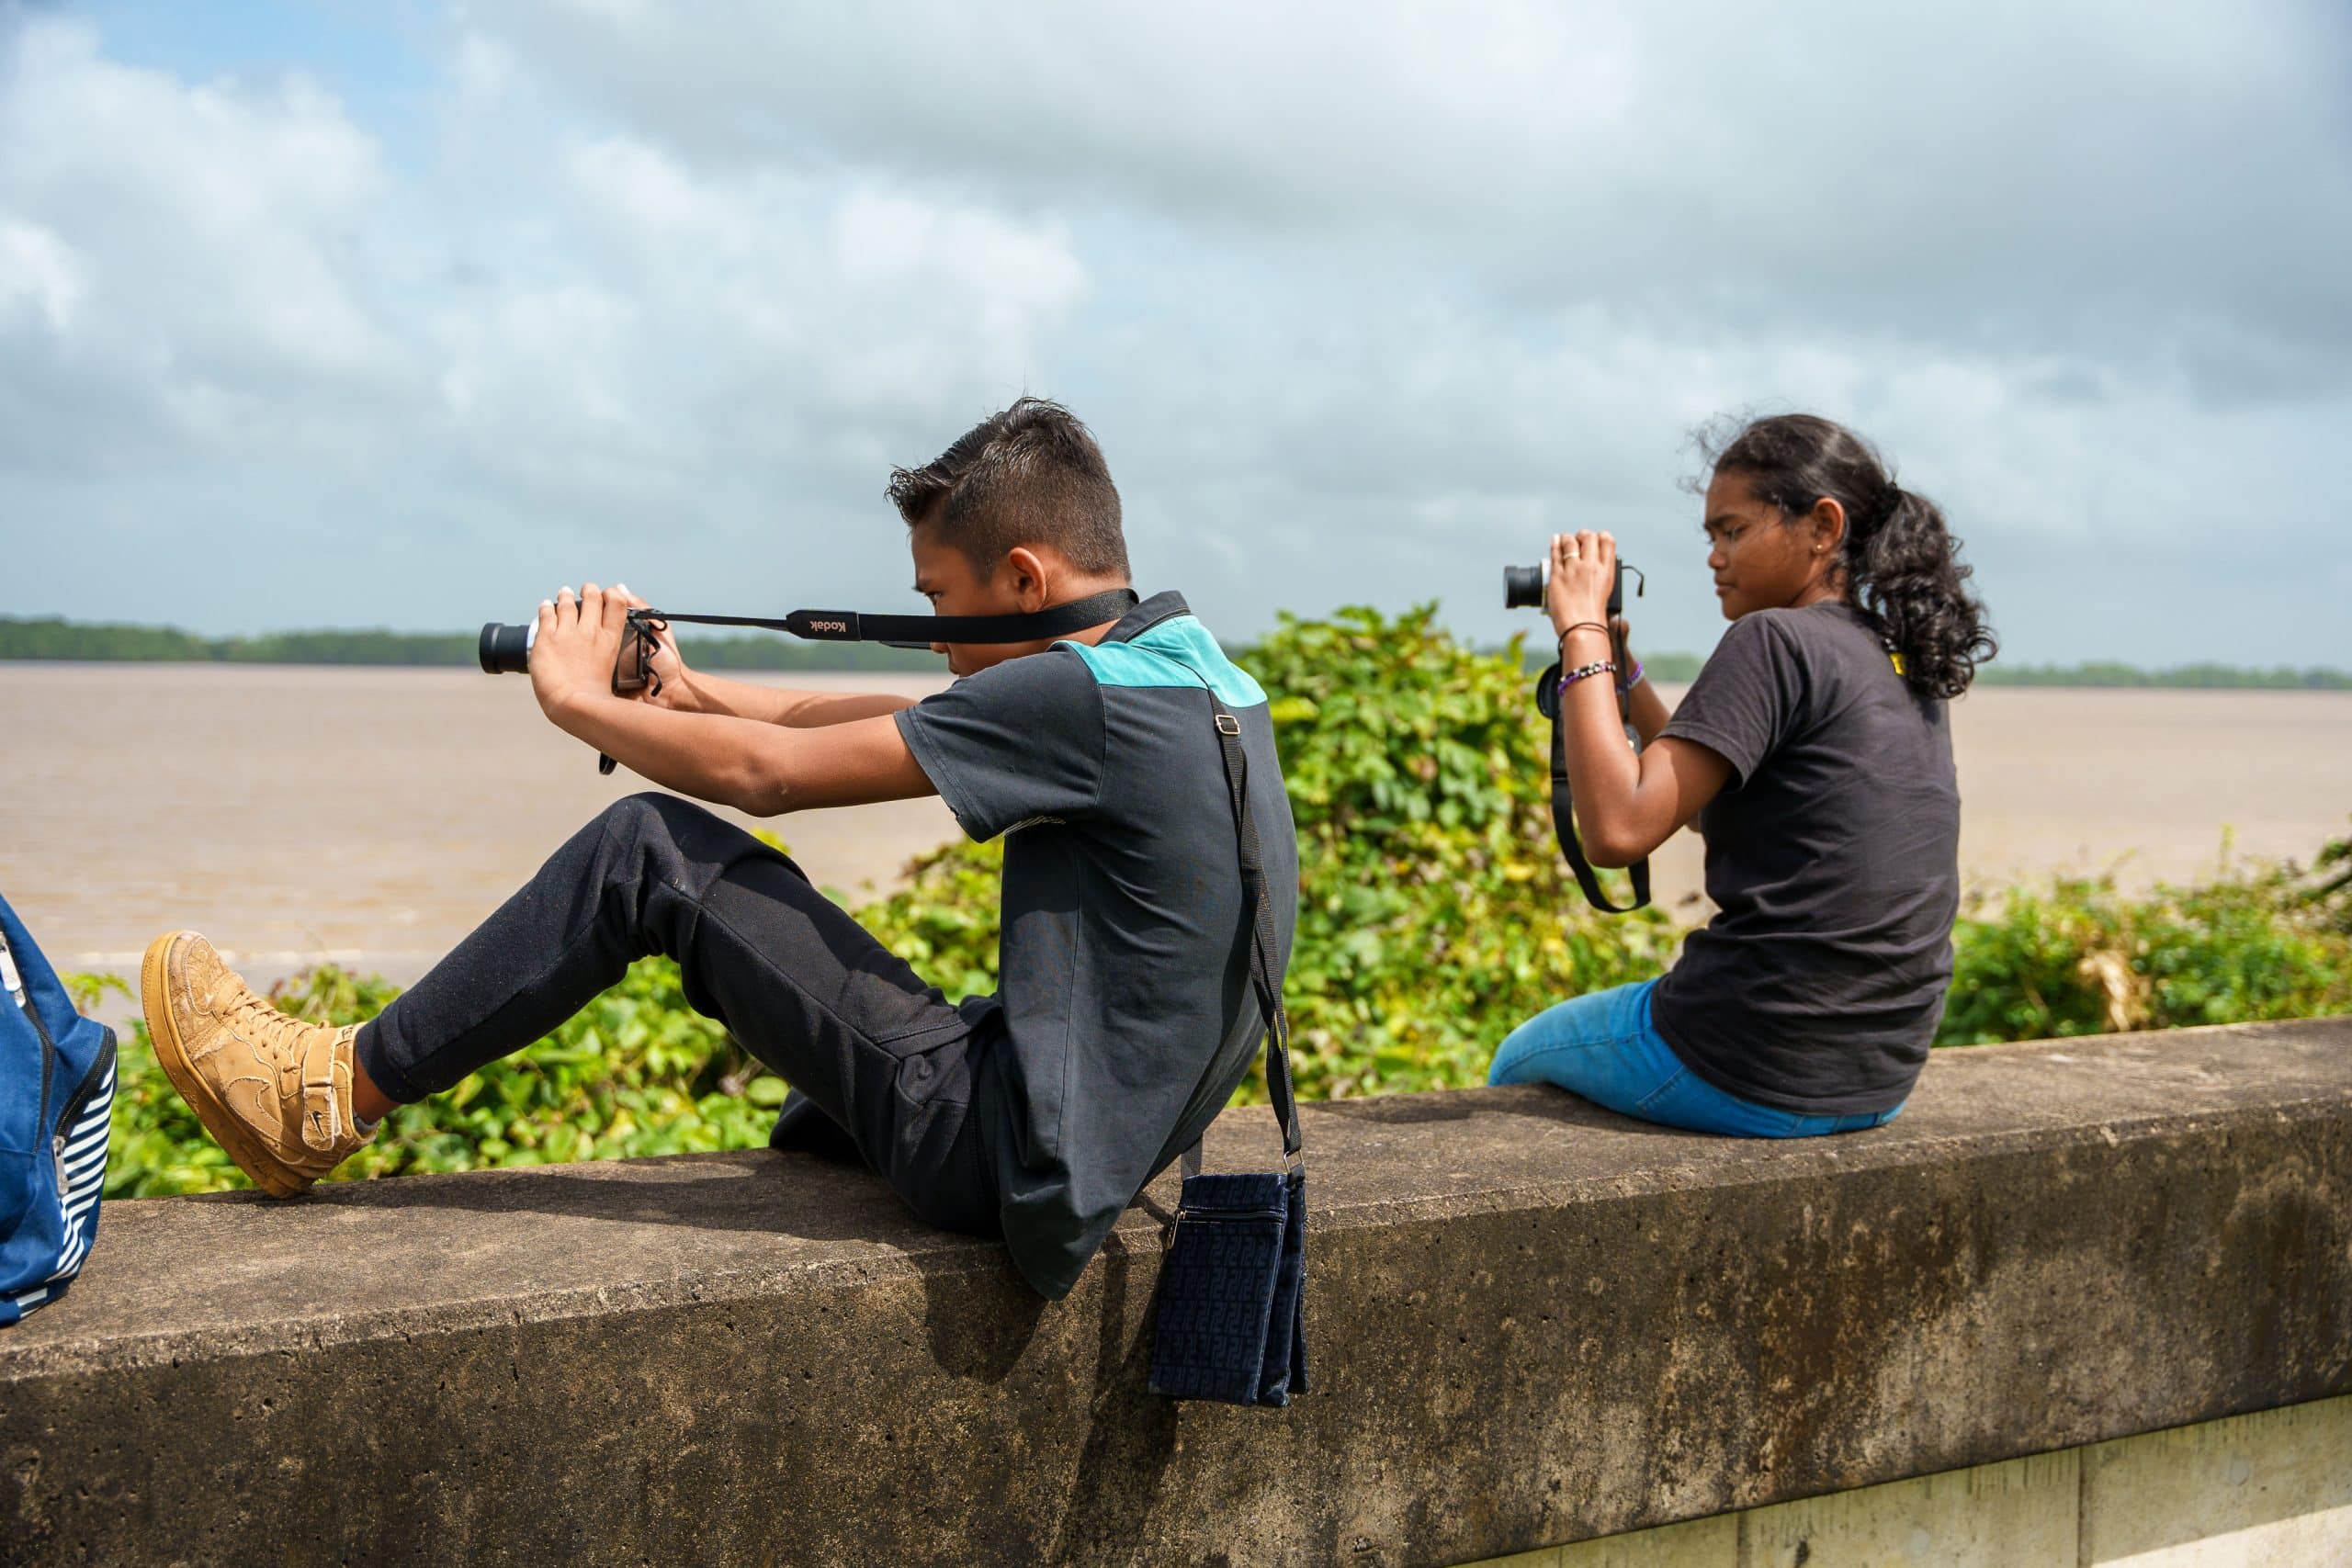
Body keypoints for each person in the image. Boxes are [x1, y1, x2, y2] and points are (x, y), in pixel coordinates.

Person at [141, 398, 1297, 1300]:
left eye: (938, 600)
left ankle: (323, 1094)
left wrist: (576, 701)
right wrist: (681, 688)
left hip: (1009, 1150)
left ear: (1025, 579)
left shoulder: (1073, 697)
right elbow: (817, 727)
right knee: (806, 1119)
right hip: (1103, 1131)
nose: (942, 645)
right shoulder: (1186, 669)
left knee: (651, 852)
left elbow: (767, 781)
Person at [1487, 413, 1996, 1137]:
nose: (1714, 557)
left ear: (1822, 527)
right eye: (1710, 537)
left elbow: (1618, 829)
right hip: (1876, 1077)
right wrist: (1622, 673)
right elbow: (1694, 801)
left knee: (1518, 1062)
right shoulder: (1890, 653)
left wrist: (1580, 632)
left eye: (1733, 531)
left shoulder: (1771, 639)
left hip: (1753, 1063)